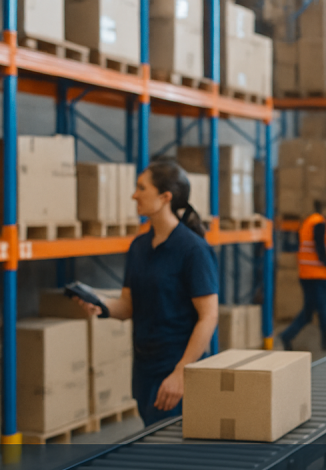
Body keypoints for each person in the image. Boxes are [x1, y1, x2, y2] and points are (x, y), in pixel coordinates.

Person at [76, 159, 219, 426]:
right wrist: (102, 305)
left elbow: (208, 317)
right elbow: (129, 305)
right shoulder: (139, 247)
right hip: (145, 368)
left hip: (178, 370)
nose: (134, 195)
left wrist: (181, 373)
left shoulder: (193, 250)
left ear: (165, 197)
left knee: (175, 456)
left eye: (142, 188)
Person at [280, 202, 326, 352]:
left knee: (308, 311)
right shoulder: (319, 224)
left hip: (306, 274)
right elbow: (320, 249)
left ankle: (286, 336)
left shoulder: (307, 223)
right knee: (324, 310)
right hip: (320, 275)